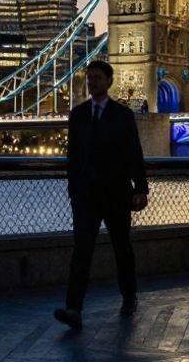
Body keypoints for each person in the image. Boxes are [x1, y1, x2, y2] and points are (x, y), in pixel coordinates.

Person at [53, 60, 149, 330]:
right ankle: (74, 308)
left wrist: (141, 188)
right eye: (89, 78)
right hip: (85, 196)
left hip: (117, 193)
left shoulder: (123, 115)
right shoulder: (78, 114)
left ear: (109, 81)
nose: (91, 82)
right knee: (81, 251)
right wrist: (73, 190)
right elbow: (73, 156)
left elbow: (134, 153)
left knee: (122, 247)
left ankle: (129, 296)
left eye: (97, 77)